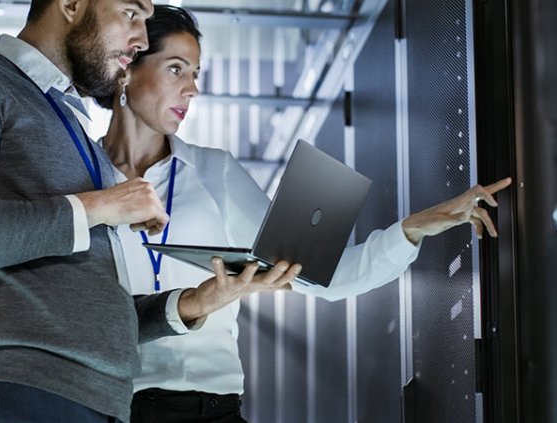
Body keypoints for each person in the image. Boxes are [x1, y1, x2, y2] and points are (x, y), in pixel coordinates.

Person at [95, 5, 512, 423]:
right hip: (111, 410)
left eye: (196, 74)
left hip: (214, 411)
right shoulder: (79, 179)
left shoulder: (214, 172)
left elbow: (324, 278)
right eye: (176, 69)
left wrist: (415, 228)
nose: (192, 90)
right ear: (127, 66)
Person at [0, 0, 213, 422]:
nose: (140, 39)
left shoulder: (75, 129)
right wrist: (102, 205)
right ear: (70, 4)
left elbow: (86, 315)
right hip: (25, 396)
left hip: (102, 404)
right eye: (130, 13)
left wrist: (192, 303)